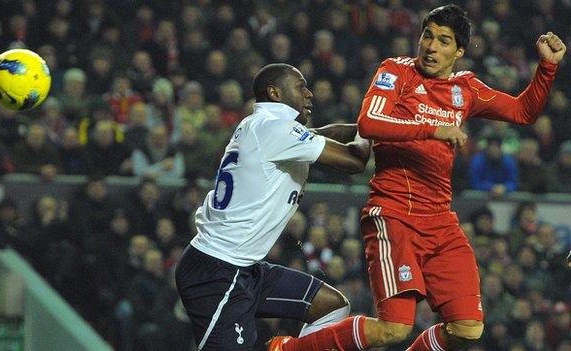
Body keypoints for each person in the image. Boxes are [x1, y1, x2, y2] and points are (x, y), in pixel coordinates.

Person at [269, 4, 565, 351]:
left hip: (441, 222)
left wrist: (547, 67)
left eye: (443, 41)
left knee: (468, 329)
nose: (431, 47)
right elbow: (369, 123)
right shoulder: (396, 71)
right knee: (393, 329)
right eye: (427, 36)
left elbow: (523, 110)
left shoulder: (465, 88)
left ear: (459, 51)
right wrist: (433, 130)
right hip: (393, 214)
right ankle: (286, 349)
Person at [174, 63, 370, 350]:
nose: (309, 94)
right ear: (275, 93)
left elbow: (323, 133)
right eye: (301, 86)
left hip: (245, 267)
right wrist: (375, 127)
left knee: (331, 307)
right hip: (216, 273)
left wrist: (365, 128)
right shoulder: (275, 129)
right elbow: (355, 161)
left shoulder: (261, 125)